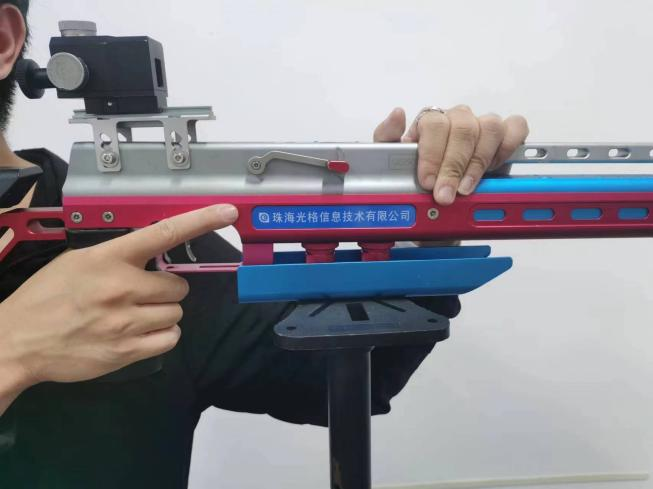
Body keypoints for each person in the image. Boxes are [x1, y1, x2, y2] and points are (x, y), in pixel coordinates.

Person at [0, 1, 529, 487]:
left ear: (4, 40)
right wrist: (12, 349)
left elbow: (340, 378)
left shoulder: (134, 246)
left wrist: (422, 230)